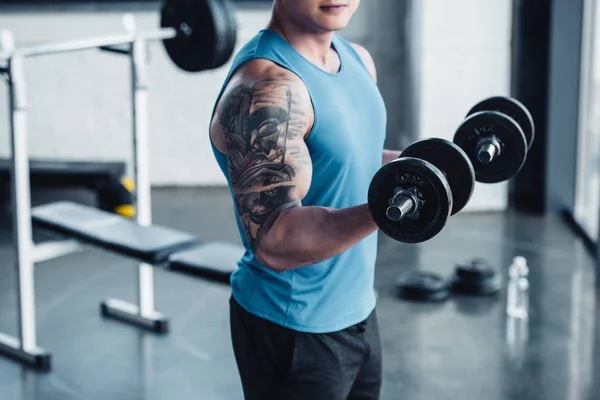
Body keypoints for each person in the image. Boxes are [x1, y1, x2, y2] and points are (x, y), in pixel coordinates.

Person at [209, 1, 400, 398]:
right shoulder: (265, 89)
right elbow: (276, 240)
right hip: (293, 327)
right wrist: (390, 211)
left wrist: (425, 167)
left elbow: (350, 161)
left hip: (359, 309)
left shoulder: (356, 59)